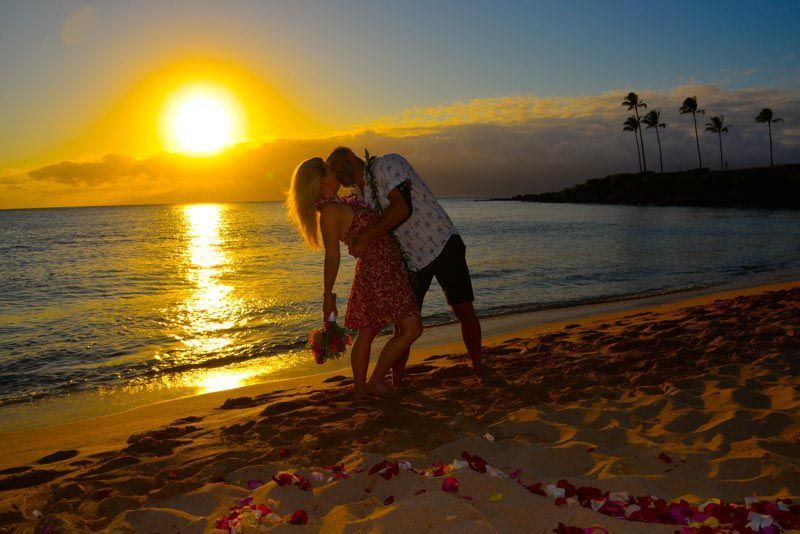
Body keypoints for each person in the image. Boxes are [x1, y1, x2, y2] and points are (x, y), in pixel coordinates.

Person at [326, 147, 484, 386]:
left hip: (442, 243)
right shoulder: (359, 196)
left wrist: (367, 237)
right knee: (404, 326)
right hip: (409, 260)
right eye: (333, 172)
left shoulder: (387, 164)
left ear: (350, 155)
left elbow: (402, 207)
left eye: (337, 165)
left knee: (463, 311)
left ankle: (479, 368)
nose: (337, 173)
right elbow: (349, 220)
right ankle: (396, 383)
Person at [286, 157, 422, 398]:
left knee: (369, 332)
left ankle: (362, 390)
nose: (335, 171)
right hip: (378, 270)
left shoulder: (337, 203)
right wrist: (327, 295)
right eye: (329, 170)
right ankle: (374, 382)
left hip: (383, 267)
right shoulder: (329, 211)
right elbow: (332, 256)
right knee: (411, 328)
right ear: (320, 180)